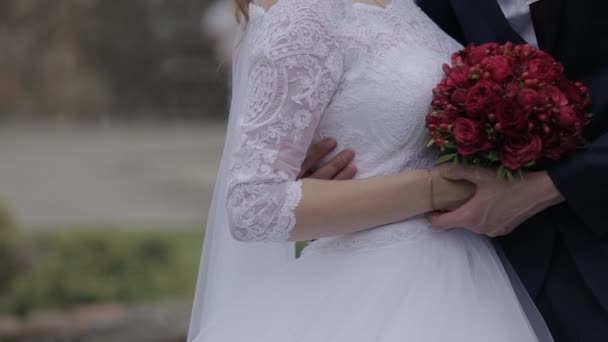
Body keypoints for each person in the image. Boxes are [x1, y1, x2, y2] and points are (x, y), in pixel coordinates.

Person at [187, 0, 556, 340]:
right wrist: (435, 188)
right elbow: (253, 205)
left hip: (469, 272)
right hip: (378, 282)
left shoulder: (409, 5)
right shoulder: (302, 14)